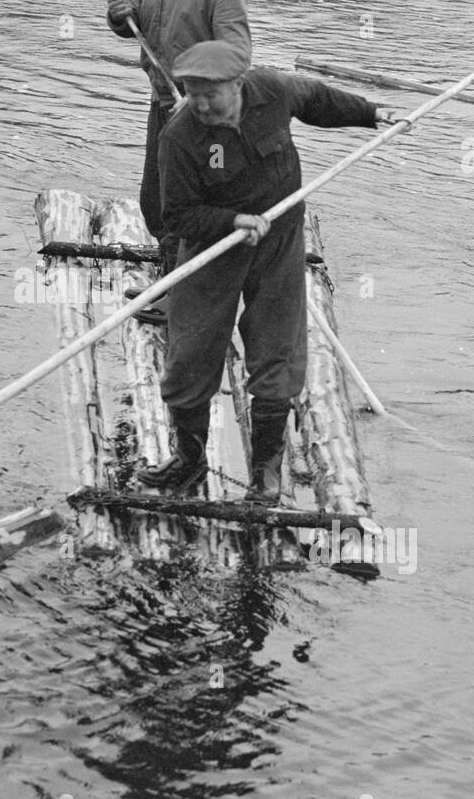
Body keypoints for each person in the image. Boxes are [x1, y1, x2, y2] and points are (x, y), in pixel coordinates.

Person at [134, 41, 401, 501]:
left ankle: (265, 477)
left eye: (210, 94)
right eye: (192, 93)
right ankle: (190, 461)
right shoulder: (178, 137)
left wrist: (373, 113)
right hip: (213, 247)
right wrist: (230, 222)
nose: (200, 103)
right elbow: (176, 215)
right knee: (190, 352)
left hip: (278, 238)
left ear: (238, 83)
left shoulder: (273, 90)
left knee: (277, 347)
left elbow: (318, 99)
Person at [105, 0, 251, 323]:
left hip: (199, 112)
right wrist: (119, 17)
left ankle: (184, 299)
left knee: (182, 206)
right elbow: (141, 29)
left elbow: (239, 52)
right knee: (155, 200)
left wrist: (197, 91)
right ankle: (171, 282)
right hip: (161, 100)